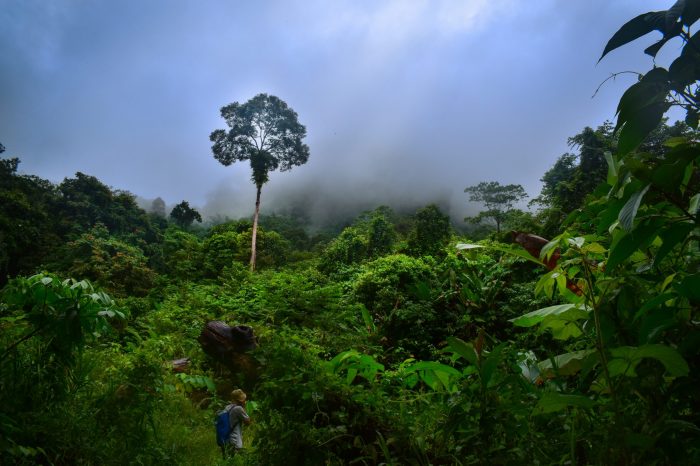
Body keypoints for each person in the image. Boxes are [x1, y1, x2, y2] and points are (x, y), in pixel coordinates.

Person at [222, 389, 251, 458]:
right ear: (239, 400)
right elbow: (248, 422)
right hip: (235, 441)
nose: (244, 401)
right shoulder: (238, 409)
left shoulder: (227, 407)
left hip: (226, 439)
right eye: (243, 399)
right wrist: (244, 407)